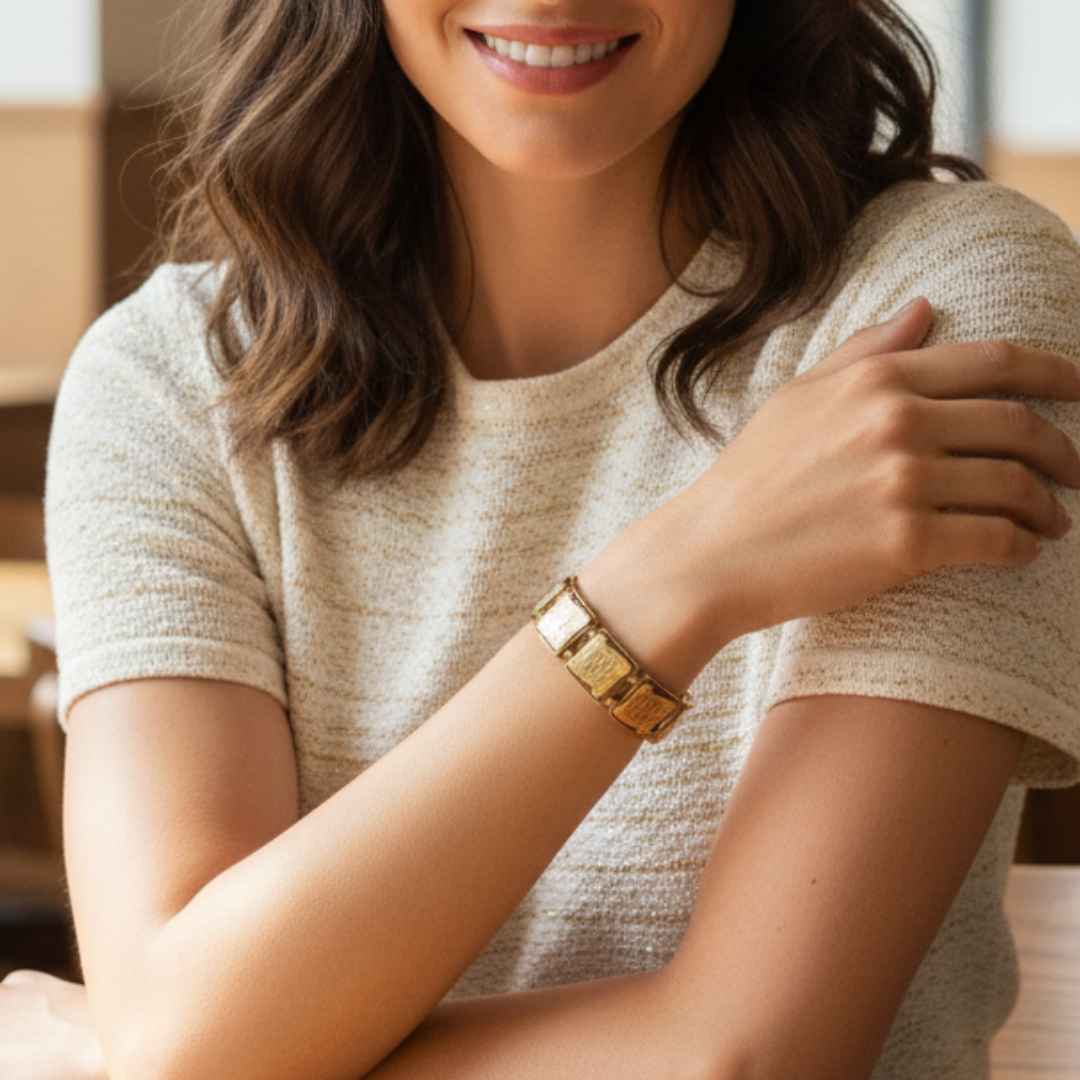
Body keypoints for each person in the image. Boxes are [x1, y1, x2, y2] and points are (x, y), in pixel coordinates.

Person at [4, 0, 1080, 1077]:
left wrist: (174, 1054)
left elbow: (746, 1059)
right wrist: (672, 578)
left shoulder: (940, 302)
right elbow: (184, 1038)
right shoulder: (169, 381)